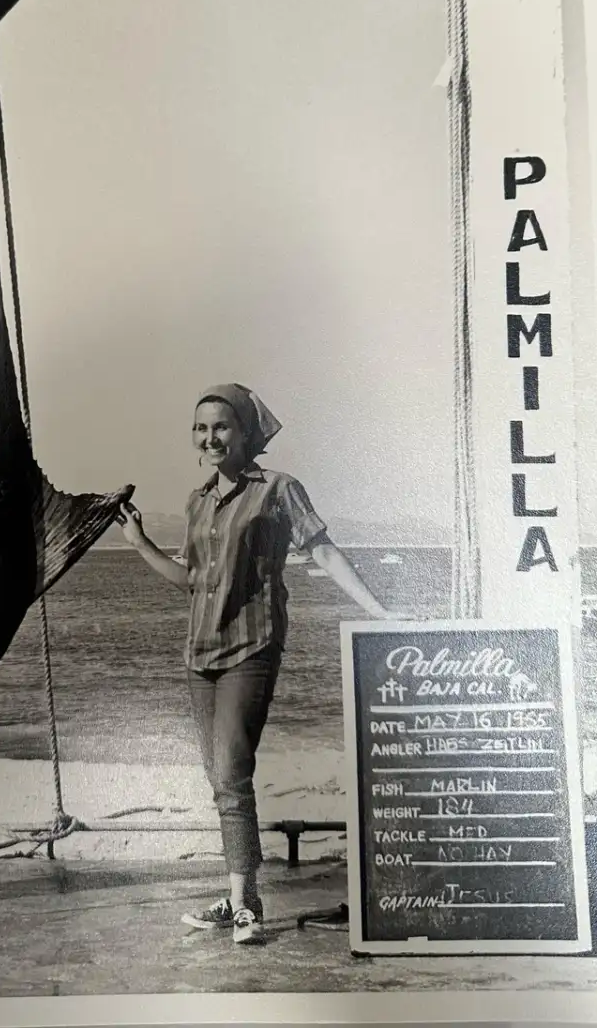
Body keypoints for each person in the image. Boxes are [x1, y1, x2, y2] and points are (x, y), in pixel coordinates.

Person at [117, 383, 398, 945]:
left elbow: (322, 550)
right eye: (201, 429)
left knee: (230, 773)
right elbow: (193, 582)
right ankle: (240, 896)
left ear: (246, 432)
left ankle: (246, 903)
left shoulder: (277, 489)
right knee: (220, 780)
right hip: (199, 655)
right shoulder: (197, 501)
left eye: (222, 427)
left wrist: (379, 611)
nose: (210, 438)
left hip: (251, 649)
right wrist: (140, 542)